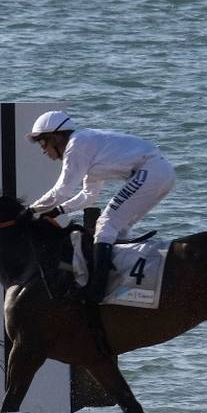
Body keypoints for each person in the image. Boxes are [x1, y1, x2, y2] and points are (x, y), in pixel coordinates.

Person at [25, 110, 175, 305]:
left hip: (150, 172)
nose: (44, 151)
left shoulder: (76, 146)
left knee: (105, 225)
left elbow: (62, 190)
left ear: (55, 137)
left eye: (43, 143)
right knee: (116, 229)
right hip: (161, 173)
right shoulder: (87, 149)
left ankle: (96, 291)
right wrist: (58, 211)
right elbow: (89, 196)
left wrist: (31, 210)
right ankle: (122, 285)